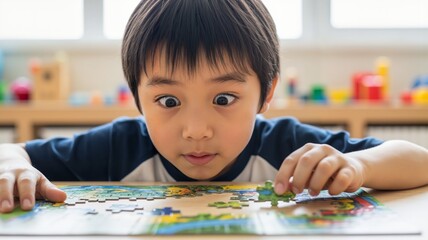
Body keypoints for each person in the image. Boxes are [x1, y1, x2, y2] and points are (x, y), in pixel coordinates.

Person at [1, 0, 427, 214]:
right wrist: (10, 164)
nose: (197, 129)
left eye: (224, 99)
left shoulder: (289, 147)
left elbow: (419, 161)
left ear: (266, 92)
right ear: (137, 99)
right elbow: (15, 153)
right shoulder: (118, 146)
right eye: (168, 101)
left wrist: (359, 167)